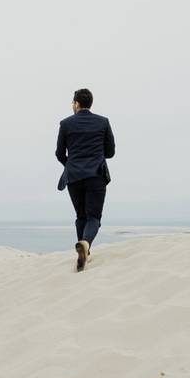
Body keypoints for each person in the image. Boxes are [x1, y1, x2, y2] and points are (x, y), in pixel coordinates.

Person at [55, 88, 116, 272]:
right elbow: (110, 152)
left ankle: (83, 252)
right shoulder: (103, 122)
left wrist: (72, 164)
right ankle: (85, 244)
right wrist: (95, 156)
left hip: (74, 177)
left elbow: (59, 154)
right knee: (94, 217)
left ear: (76, 104)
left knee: (81, 216)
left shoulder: (66, 124)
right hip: (96, 175)